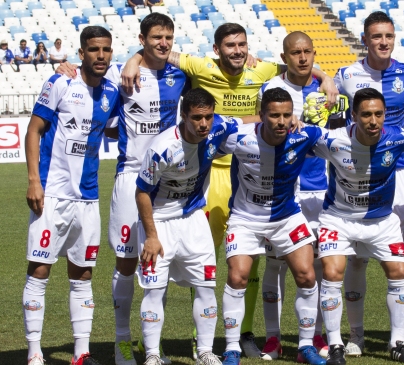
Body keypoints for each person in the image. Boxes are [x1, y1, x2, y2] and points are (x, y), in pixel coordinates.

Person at [120, 22, 339, 359]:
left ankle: (244, 334)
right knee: (212, 268)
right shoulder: (199, 67)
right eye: (229, 45)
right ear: (216, 49)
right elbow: (158, 49)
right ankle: (186, 341)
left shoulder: (264, 69)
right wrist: (133, 60)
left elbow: (297, 63)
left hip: (236, 167)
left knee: (222, 268)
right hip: (211, 168)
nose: (237, 51)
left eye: (242, 45)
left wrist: (325, 78)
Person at [311, 88, 404, 365]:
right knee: (332, 271)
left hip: (381, 221)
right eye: (366, 114)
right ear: (353, 116)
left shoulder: (396, 138)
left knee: (399, 270)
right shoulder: (333, 140)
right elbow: (297, 142)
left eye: (379, 114)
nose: (373, 121)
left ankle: (397, 342)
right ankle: (335, 345)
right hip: (338, 218)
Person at [331, 11, 404, 356]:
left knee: (401, 256)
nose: (383, 42)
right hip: (357, 176)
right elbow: (324, 96)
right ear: (365, 39)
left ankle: (398, 336)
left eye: (388, 35)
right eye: (376, 36)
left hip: (398, 174)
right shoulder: (345, 75)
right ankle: (355, 335)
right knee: (356, 258)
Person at [23, 26, 119, 365]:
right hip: (53, 195)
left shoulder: (111, 91)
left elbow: (113, 126)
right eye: (94, 49)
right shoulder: (60, 82)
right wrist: (34, 181)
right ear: (81, 53)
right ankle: (35, 353)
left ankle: (81, 353)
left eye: (106, 49)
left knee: (82, 274)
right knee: (39, 270)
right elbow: (33, 130)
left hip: (88, 199)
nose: (101, 55)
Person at [217, 87, 329, 365]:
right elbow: (207, 129)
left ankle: (305, 346)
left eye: (287, 115)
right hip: (245, 219)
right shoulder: (239, 138)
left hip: (286, 217)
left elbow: (344, 142)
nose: (281, 121)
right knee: (238, 277)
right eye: (275, 115)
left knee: (306, 275)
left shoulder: (304, 135)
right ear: (262, 115)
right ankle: (231, 348)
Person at [256, 32, 347, 361]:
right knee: (275, 266)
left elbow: (338, 138)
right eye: (296, 53)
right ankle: (273, 338)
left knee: (319, 267)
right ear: (285, 55)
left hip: (317, 190)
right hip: (280, 192)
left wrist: (328, 78)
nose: (303, 58)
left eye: (308, 52)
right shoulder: (271, 91)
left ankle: (316, 333)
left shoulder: (327, 90)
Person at [104, 13, 187, 365]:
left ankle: (152, 344)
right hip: (130, 178)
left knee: (160, 263)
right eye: (156, 37)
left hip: (165, 183)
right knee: (126, 263)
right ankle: (122, 341)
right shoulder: (120, 77)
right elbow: (102, 118)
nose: (163, 43)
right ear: (142, 38)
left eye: (168, 37)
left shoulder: (181, 75)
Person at [135, 88, 236, 365]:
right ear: (183, 116)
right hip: (159, 222)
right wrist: (151, 237)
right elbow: (142, 192)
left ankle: (205, 351)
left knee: (206, 286)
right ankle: (153, 355)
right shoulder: (162, 148)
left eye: (209, 117)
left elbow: (251, 121)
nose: (204, 124)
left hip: (193, 220)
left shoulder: (218, 129)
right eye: (197, 118)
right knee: (154, 290)